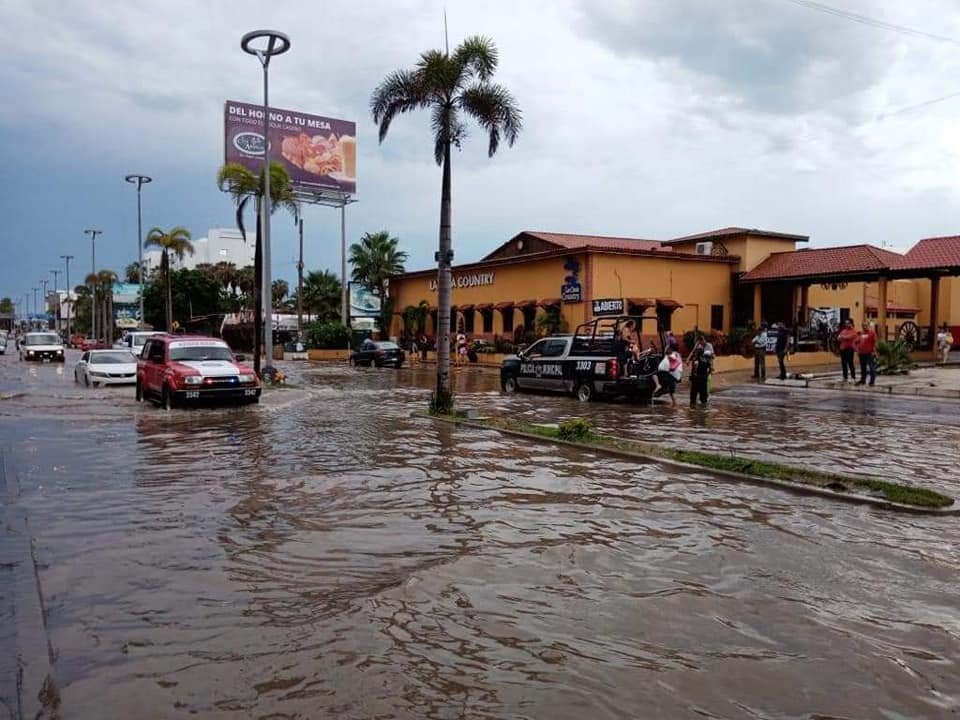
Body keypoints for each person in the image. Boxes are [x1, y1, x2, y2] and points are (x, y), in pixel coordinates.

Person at [837, 318, 859, 382]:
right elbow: (838, 338)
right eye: (846, 323)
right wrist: (843, 337)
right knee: (843, 363)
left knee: (850, 363)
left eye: (848, 323)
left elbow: (849, 337)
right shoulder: (843, 331)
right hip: (842, 348)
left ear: (851, 323)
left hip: (849, 349)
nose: (846, 324)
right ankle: (845, 377)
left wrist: (843, 337)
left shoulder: (854, 331)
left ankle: (853, 376)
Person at [856, 320, 877, 386]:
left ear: (868, 326)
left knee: (871, 367)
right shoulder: (861, 333)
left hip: (869, 353)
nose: (864, 327)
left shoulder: (872, 333)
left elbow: (875, 342)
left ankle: (872, 381)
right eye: (863, 326)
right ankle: (863, 380)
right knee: (863, 367)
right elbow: (856, 341)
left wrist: (875, 351)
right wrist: (857, 350)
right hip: (861, 353)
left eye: (865, 325)